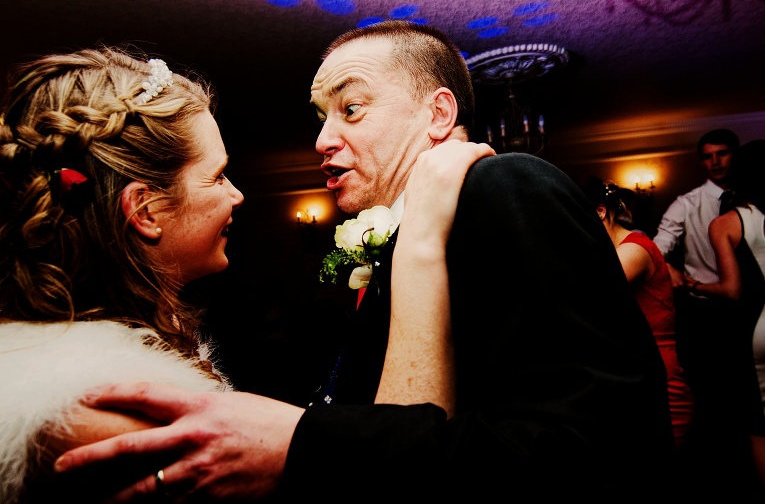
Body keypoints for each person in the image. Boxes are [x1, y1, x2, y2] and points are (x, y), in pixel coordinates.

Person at [58, 20, 674, 502]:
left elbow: (598, 450)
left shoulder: (508, 186)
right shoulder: (403, 238)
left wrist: (308, 447)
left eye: (350, 109)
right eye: (321, 117)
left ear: (437, 115)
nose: (323, 140)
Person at [1, 42, 487, 502]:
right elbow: (391, 495)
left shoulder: (108, 355)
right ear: (144, 211)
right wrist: (420, 246)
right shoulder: (99, 408)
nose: (236, 195)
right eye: (216, 176)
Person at [589, 180, 694, 447]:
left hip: (660, 381)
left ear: (600, 211)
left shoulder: (634, 249)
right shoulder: (615, 250)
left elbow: (585, 295)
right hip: (638, 376)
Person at [694, 139, 765, 490]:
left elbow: (732, 291)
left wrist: (693, 284)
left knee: (760, 424)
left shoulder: (727, 222)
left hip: (760, 330)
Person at [655, 128, 740, 287]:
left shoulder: (751, 199)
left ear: (735, 155)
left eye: (722, 153)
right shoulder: (685, 204)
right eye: (708, 157)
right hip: (702, 301)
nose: (715, 162)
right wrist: (667, 268)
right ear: (701, 162)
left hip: (751, 299)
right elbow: (657, 250)